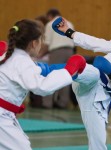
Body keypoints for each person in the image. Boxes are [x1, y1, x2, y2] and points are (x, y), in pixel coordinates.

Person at [52, 17, 111, 150]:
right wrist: (69, 32)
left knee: (98, 143)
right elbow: (95, 42)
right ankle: (51, 69)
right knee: (92, 71)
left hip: (99, 99)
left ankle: (74, 69)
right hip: (90, 79)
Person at [0, 19, 86, 150]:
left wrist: (65, 69)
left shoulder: (10, 56)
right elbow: (42, 87)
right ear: (34, 43)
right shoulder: (22, 62)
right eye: (41, 41)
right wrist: (69, 71)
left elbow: (41, 69)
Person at [37, 8, 76, 109]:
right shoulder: (68, 23)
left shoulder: (50, 24)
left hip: (57, 51)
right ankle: (63, 102)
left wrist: (40, 54)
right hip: (70, 51)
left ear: (50, 16)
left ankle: (47, 103)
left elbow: (47, 43)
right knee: (66, 76)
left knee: (50, 75)